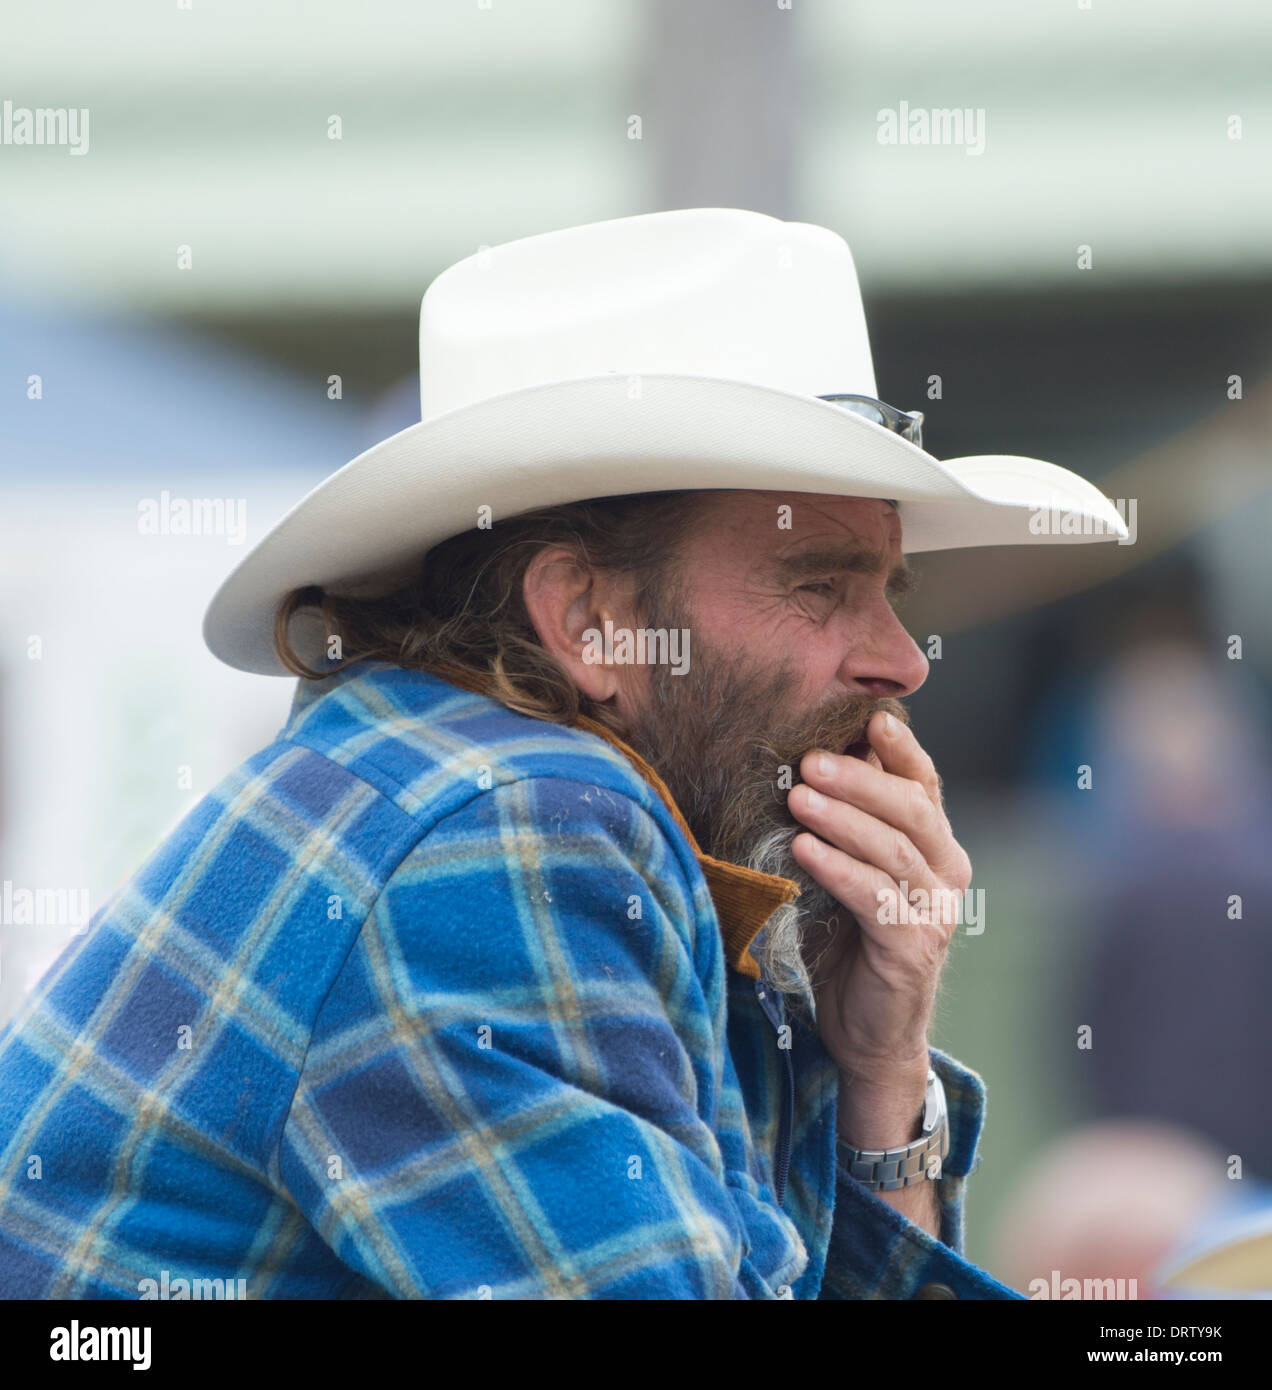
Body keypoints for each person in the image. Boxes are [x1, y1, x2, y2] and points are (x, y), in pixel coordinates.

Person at [0, 208, 1127, 1299]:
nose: (901, 660)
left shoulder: (483, 789)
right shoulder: (510, 826)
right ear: (587, 619)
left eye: (888, 593)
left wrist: (881, 1073)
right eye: (818, 585)